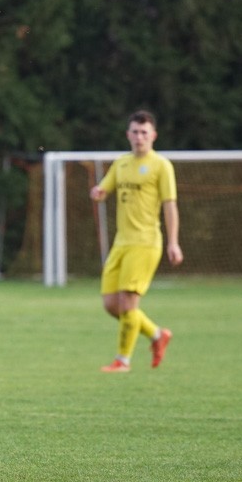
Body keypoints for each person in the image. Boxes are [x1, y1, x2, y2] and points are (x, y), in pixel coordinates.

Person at [91, 110, 182, 373]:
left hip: (145, 242)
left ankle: (122, 360)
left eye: (144, 132)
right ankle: (157, 334)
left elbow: (170, 206)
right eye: (135, 132)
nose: (139, 137)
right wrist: (98, 193)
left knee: (129, 304)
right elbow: (104, 189)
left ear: (153, 136)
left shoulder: (161, 166)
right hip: (121, 243)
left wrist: (173, 242)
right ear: (127, 135)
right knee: (111, 305)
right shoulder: (121, 163)